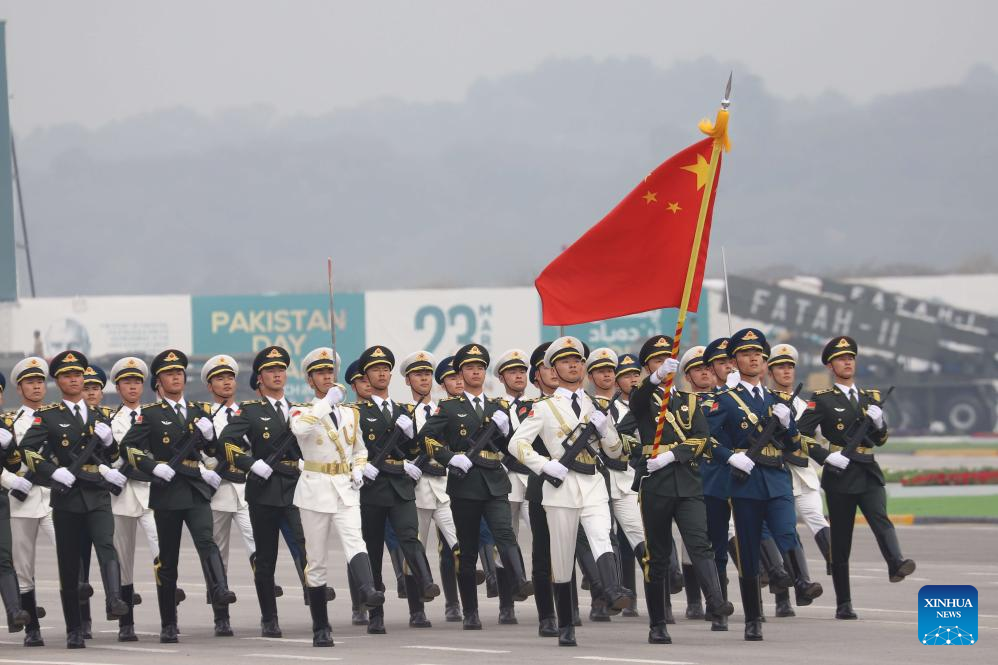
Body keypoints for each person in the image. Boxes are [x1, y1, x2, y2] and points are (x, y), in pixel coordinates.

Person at [510, 336, 633, 647]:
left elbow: (616, 451)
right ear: (554, 368)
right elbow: (516, 444)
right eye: (566, 362)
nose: (574, 365)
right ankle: (564, 624)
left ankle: (613, 590)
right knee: (561, 560)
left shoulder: (598, 405)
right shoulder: (544, 407)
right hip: (559, 491)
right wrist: (543, 465)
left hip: (593, 485)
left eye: (577, 360)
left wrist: (606, 431)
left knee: (601, 534)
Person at [706, 329, 821, 641]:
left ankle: (800, 582)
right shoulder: (725, 401)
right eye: (745, 353)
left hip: (777, 476)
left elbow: (795, 443)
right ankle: (753, 618)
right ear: (734, 361)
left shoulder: (776, 401)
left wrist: (787, 424)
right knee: (749, 551)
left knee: (786, 530)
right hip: (745, 481)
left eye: (758, 353)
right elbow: (708, 440)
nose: (753, 358)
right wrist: (730, 458)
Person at [619, 336, 735, 644]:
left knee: (700, 544)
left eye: (666, 362)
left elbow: (701, 436)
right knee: (658, 557)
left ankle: (715, 601)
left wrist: (673, 454)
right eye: (656, 362)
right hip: (655, 486)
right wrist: (641, 456)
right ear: (647, 367)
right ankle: (657, 623)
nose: (663, 366)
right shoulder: (641, 399)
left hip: (687, 480)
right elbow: (627, 426)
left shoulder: (690, 400)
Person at [119, 349, 236, 643]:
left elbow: (213, 452)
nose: (176, 377)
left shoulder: (200, 411)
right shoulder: (150, 414)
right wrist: (153, 466)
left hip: (195, 491)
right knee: (168, 560)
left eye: (180, 373)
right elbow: (129, 449)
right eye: (170, 374)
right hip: (168, 493)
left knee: (206, 541)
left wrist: (210, 437)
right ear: (158, 382)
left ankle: (219, 591)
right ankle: (168, 622)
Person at [797, 335, 916, 620]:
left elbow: (881, 439)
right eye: (840, 358)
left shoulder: (870, 397)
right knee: (841, 539)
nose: (847, 361)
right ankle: (844, 603)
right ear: (830, 366)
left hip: (868, 468)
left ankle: (895, 562)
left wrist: (879, 422)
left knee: (880, 517)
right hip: (841, 472)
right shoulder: (823, 400)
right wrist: (825, 456)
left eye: (850, 357)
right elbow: (799, 435)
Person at [18, 351, 130, 648]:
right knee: (69, 565)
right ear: (59, 381)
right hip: (67, 498)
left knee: (107, 544)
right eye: (67, 376)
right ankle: (74, 628)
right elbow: (28, 451)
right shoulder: (49, 416)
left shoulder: (100, 415)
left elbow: (115, 456)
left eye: (78, 375)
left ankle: (114, 598)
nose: (74, 379)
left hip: (97, 494)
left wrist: (110, 443)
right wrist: (53, 473)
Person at [421, 343, 534, 631]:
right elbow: (428, 439)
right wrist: (450, 458)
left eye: (480, 368)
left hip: (495, 479)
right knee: (469, 550)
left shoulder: (499, 406)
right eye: (470, 368)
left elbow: (511, 446)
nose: (475, 372)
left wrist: (507, 429)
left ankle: (515, 588)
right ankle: (470, 610)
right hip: (466, 483)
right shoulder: (448, 407)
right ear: (461, 373)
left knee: (505, 535)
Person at [290, 347, 385, 646]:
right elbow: (299, 429)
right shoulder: (302, 410)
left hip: (345, 487)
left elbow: (360, 450)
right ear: (310, 380)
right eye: (321, 373)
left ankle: (369, 591)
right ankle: (321, 626)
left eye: (330, 372)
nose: (327, 376)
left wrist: (359, 468)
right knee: (316, 561)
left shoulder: (350, 413)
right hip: (315, 489)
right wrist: (324, 405)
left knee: (355, 541)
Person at [217, 346, 308, 638]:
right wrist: (250, 463)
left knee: (306, 547)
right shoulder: (250, 411)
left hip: (295, 488)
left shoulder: (298, 410)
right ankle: (269, 617)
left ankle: (316, 603)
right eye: (271, 370)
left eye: (281, 369)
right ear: (259, 378)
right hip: (264, 490)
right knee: (266, 558)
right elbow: (226, 442)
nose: (278, 374)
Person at [354, 345, 440, 635]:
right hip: (372, 488)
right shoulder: (356, 412)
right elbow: (353, 448)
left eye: (385, 369)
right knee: (374, 551)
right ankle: (375, 614)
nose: (381, 373)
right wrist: (361, 465)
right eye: (375, 369)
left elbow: (414, 448)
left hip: (401, 487)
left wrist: (412, 438)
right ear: (366, 375)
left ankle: (423, 593)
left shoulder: (405, 411)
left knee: (410, 540)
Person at [767, 343, 832, 615]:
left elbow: (817, 437)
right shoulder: (765, 400)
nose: (786, 371)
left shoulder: (804, 404)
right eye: (780, 366)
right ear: (770, 371)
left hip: (802, 473)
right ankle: (784, 598)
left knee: (816, 518)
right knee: (784, 532)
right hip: (776, 471)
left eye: (790, 366)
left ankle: (835, 562)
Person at [404, 351, 462, 625]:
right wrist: (405, 464)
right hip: (416, 490)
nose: (424, 379)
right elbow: (395, 450)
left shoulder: (445, 410)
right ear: (408, 381)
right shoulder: (401, 413)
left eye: (427, 374)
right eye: (418, 375)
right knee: (415, 549)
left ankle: (455, 603)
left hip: (444, 486)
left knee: (457, 544)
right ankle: (417, 610)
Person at [0, 357, 55, 646]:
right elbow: (9, 462)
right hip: (21, 501)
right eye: (29, 383)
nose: (36, 387)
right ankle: (32, 628)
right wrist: (11, 481)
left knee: (71, 556)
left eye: (39, 382)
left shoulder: (58, 417)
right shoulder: (10, 422)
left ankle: (79, 620)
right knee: (23, 567)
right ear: (19, 389)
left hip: (54, 498)